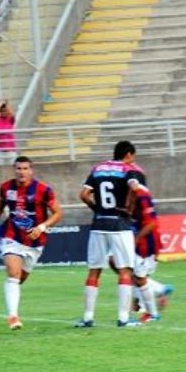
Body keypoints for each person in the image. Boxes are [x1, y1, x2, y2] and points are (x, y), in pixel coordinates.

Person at [0, 156, 63, 330]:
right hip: (11, 236)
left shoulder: (43, 190)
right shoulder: (6, 187)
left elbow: (58, 213)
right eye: (18, 168)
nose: (21, 172)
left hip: (35, 241)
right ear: (14, 170)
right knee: (13, 273)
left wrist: (42, 227)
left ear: (31, 170)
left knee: (20, 278)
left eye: (25, 168)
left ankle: (10, 292)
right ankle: (13, 317)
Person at [75, 140, 145, 328]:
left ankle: (88, 317)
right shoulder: (126, 170)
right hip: (119, 224)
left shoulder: (97, 168)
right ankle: (123, 318)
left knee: (94, 271)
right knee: (124, 270)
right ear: (128, 154)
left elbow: (83, 195)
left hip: (99, 223)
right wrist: (128, 208)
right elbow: (135, 188)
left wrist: (96, 208)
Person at [129, 183, 172, 323]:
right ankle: (159, 291)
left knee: (138, 276)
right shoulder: (130, 193)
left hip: (146, 245)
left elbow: (152, 223)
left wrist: (137, 239)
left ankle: (150, 312)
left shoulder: (142, 195)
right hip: (138, 242)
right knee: (133, 274)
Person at [0, 100, 16, 165]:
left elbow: (12, 114)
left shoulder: (10, 119)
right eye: (1, 111)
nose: (3, 112)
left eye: (5, 111)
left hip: (10, 149)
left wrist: (6, 104)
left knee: (13, 166)